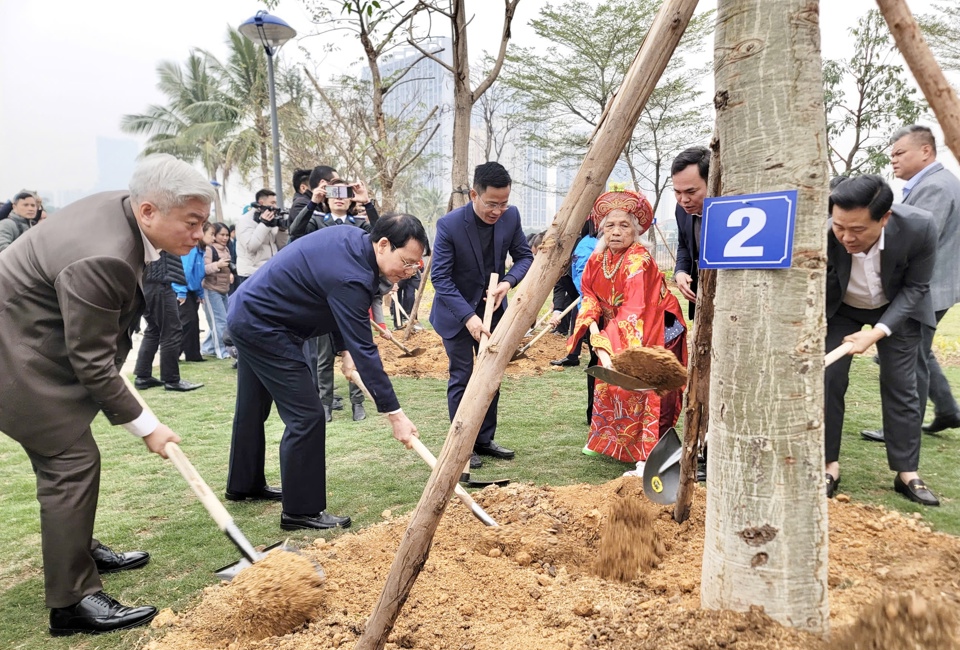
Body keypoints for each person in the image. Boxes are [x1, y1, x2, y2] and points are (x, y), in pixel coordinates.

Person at [0, 154, 212, 635]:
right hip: (15, 354)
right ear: (149, 212)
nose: (199, 235)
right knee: (70, 464)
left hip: (26, 337)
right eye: (193, 222)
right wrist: (149, 428)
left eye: (203, 222)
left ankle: (77, 546)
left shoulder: (123, 210)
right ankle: (73, 602)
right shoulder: (105, 255)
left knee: (64, 458)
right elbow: (91, 360)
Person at [225, 213, 427, 530]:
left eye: (416, 265)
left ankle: (244, 484)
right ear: (384, 245)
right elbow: (366, 350)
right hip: (265, 326)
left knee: (252, 408)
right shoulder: (353, 277)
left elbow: (332, 304)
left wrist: (344, 352)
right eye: (406, 261)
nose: (409, 270)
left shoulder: (353, 241)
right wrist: (395, 414)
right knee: (307, 415)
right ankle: (300, 511)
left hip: (248, 312)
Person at [825, 175, 940, 506]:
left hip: (897, 308)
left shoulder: (919, 227)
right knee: (828, 378)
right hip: (842, 309)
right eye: (839, 227)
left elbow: (917, 287)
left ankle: (907, 473)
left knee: (902, 384)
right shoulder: (823, 231)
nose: (847, 237)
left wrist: (876, 333)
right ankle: (828, 464)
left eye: (858, 230)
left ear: (885, 218)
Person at [568, 190, 687, 476]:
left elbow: (634, 309)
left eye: (624, 225)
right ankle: (615, 444)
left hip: (656, 325)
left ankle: (652, 450)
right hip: (618, 328)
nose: (617, 232)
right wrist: (593, 328)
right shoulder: (597, 259)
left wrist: (606, 343)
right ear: (601, 230)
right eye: (610, 226)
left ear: (636, 230)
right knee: (613, 384)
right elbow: (589, 294)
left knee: (649, 385)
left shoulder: (639, 260)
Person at [430, 162, 534, 469]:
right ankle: (462, 444)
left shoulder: (510, 216)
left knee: (491, 375)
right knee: (462, 376)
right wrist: (468, 317)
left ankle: (484, 439)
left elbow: (524, 256)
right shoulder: (449, 224)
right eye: (491, 204)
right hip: (456, 312)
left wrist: (507, 282)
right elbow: (441, 279)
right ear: (474, 194)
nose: (498, 211)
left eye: (504, 203)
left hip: (493, 307)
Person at [861, 125, 960, 442]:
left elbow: (912, 243)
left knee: (908, 358)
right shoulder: (937, 183)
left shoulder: (936, 187)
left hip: (929, 288)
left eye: (900, 153)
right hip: (936, 285)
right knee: (920, 353)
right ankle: (947, 409)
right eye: (891, 155)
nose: (893, 160)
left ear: (926, 151)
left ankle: (902, 429)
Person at [133, 250, 203, 392]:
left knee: (153, 330)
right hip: (159, 284)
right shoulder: (159, 232)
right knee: (171, 330)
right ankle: (171, 379)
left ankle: (143, 375)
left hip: (146, 283)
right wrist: (181, 288)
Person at [671, 146, 710, 319]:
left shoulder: (730, 212)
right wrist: (680, 272)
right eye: (677, 192)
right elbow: (684, 246)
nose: (683, 200)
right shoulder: (681, 210)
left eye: (691, 192)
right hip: (699, 297)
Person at [235, 189, 288, 288]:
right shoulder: (245, 221)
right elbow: (251, 246)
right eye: (272, 203)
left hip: (269, 270)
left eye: (275, 203)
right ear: (261, 203)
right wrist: (264, 224)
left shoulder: (271, 219)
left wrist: (282, 229)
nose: (275, 207)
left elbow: (281, 245)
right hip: (251, 273)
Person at [174, 229, 207, 362]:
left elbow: (198, 274)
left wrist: (200, 293)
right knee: (188, 322)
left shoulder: (200, 251)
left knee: (194, 323)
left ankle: (193, 354)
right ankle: (173, 353)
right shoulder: (191, 250)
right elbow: (184, 270)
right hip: (183, 290)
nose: (214, 238)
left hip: (193, 291)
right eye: (211, 234)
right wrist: (181, 291)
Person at [201, 223, 233, 359]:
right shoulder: (209, 249)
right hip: (210, 289)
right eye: (222, 235)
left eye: (227, 235)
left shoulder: (226, 249)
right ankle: (222, 351)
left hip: (224, 289)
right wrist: (217, 265)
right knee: (220, 321)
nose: (225, 238)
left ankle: (208, 348)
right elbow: (203, 269)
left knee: (222, 320)